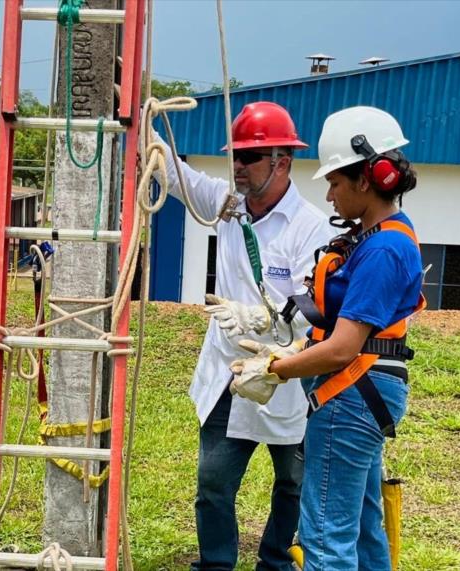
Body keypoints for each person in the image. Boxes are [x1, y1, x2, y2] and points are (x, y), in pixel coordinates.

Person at [229, 106, 423, 570]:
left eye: (335, 182)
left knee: (324, 535)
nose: (330, 195)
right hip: (364, 389)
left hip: (352, 393)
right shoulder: (377, 238)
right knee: (362, 529)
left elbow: (343, 348)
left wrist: (275, 368)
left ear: (367, 179)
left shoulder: (383, 249)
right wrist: (292, 349)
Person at [156, 102, 334, 570]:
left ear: (282, 162)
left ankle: (275, 561)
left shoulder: (309, 227)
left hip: (287, 370)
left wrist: (259, 318)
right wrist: (135, 109)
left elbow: (314, 307)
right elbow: (169, 171)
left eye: (250, 157)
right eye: (235, 156)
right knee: (213, 481)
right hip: (229, 370)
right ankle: (216, 565)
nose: (237, 166)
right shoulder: (228, 206)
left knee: (293, 481)